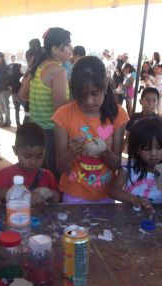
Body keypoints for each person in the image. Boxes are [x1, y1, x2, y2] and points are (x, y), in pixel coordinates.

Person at [52, 56, 129, 203]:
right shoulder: (63, 115)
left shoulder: (118, 114)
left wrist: (106, 152)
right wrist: (72, 151)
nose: (89, 101)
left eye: (95, 93)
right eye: (82, 95)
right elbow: (60, 166)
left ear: (105, 85)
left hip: (106, 195)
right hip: (74, 194)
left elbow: (116, 164)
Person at [110, 118, 162, 213]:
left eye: (159, 147)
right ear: (137, 149)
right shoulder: (130, 167)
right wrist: (136, 200)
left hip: (160, 220)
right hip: (131, 217)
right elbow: (114, 191)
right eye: (147, 149)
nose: (153, 153)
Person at [29, 27, 72, 180]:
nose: (70, 48)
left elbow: (22, 95)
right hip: (52, 133)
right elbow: (59, 110)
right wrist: (77, 100)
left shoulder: (38, 66)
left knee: (41, 177)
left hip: (36, 130)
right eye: (67, 45)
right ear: (55, 49)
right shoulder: (58, 71)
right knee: (55, 178)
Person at [0, 122, 59, 205]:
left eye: (39, 157)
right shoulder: (7, 174)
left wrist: (55, 196)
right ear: (15, 150)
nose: (33, 162)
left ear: (45, 152)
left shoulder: (47, 176)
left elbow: (56, 194)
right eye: (27, 157)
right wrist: (21, 195)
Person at [125, 87, 162, 158]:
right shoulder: (135, 118)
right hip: (136, 153)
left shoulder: (158, 120)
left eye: (154, 100)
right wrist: (121, 151)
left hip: (151, 155)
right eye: (147, 100)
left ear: (157, 103)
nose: (150, 103)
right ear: (140, 101)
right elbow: (128, 135)